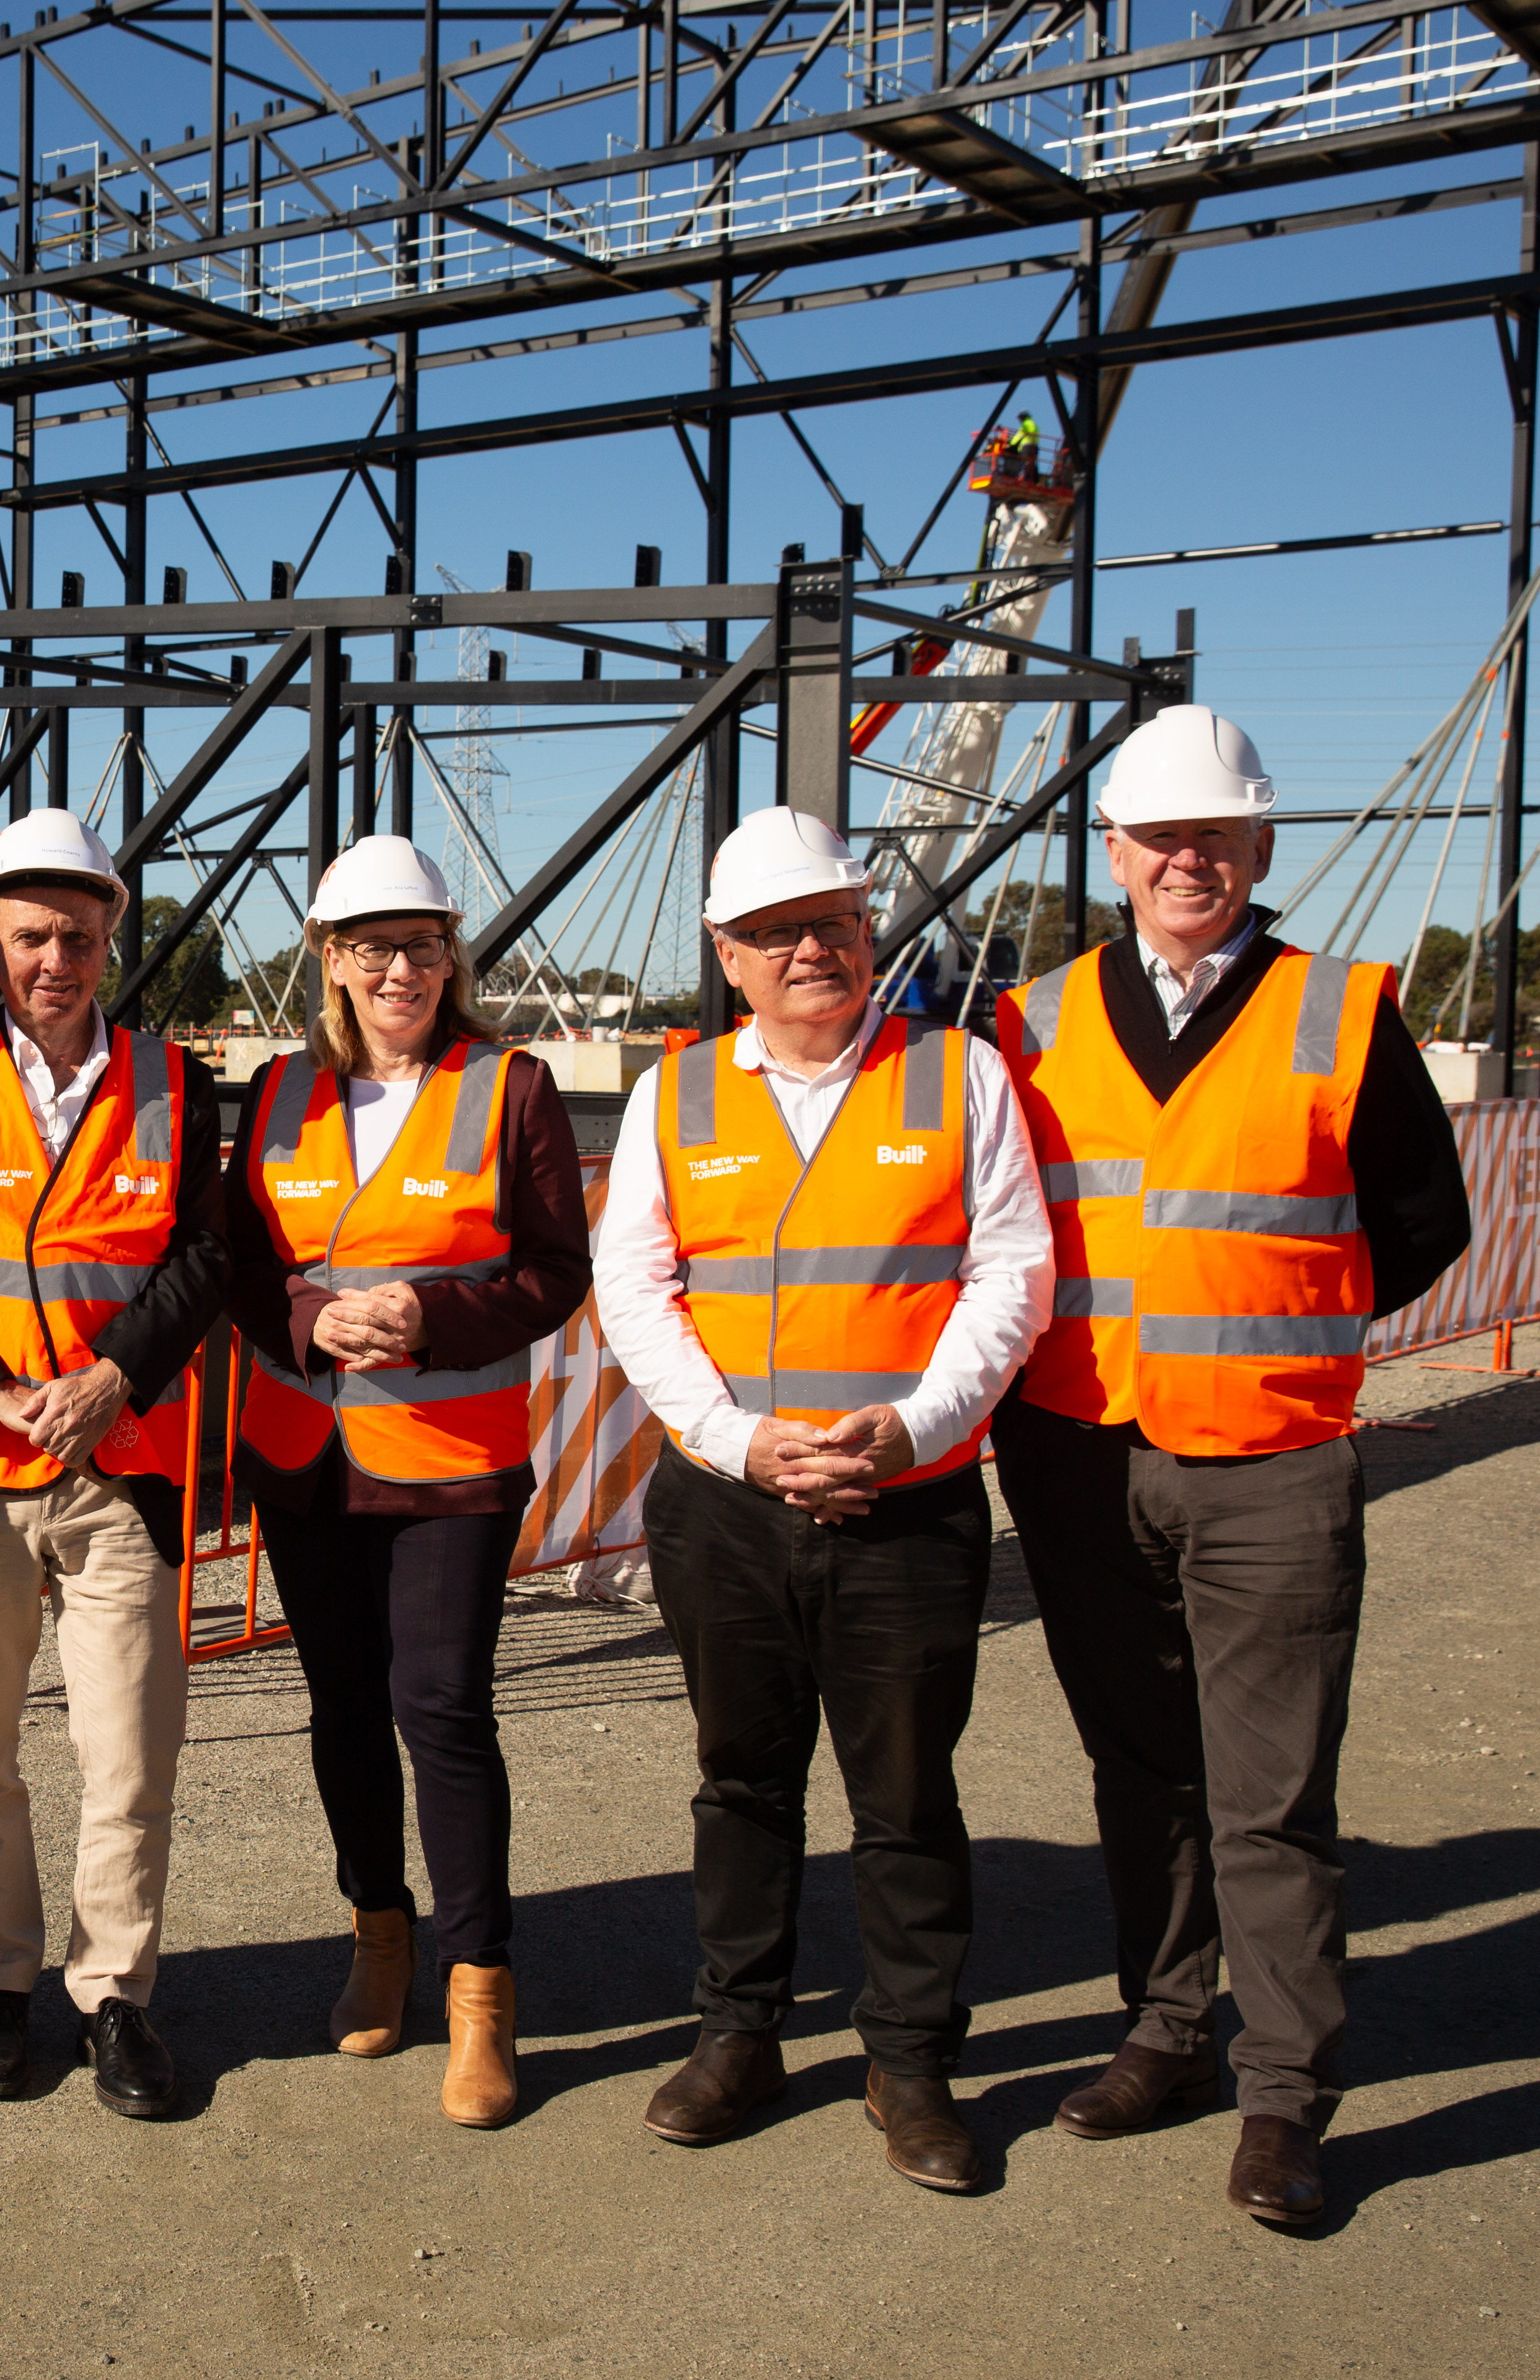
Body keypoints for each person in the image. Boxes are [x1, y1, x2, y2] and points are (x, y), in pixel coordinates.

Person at [992, 705, 1469, 2224]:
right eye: (1161, 837)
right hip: (1075, 1451)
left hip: (1267, 1461)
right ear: (1115, 852)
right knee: (1141, 1770)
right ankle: (1168, 2028)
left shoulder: (1340, 1009)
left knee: (1270, 1792)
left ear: (1260, 847)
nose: (1189, 859)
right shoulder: (1033, 1021)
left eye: (1219, 836)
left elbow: (1420, 1224)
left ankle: (1283, 2095)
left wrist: (1273, 1334)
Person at [595, 807, 1052, 2193]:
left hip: (903, 1500)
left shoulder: (956, 1075)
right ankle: (740, 2034)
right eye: (780, 931)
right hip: (727, 1506)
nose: (814, 948)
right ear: (728, 956)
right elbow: (637, 1285)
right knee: (741, 1779)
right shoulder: (674, 1096)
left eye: (837, 923)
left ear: (870, 932)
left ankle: (910, 2063)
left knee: (906, 1793)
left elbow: (1012, 1271)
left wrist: (912, 1424)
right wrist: (739, 1443)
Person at [0, 810, 226, 2120]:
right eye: (29, 937)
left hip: (118, 1465)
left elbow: (201, 1258)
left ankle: (115, 1993)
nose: (54, 960)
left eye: (76, 935)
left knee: (127, 1759)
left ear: (110, 936)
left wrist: (114, 1376)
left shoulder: (174, 1083)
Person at [224, 834, 589, 2130]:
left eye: (421, 946)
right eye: (371, 948)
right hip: (306, 1457)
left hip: (448, 1467)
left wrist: (425, 1313)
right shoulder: (274, 1097)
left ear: (452, 954)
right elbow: (237, 1265)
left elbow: (554, 1271)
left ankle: (479, 1993)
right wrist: (310, 1315)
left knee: (439, 1709)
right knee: (340, 1711)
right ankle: (378, 1935)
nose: (399, 970)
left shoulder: (511, 1088)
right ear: (328, 959)